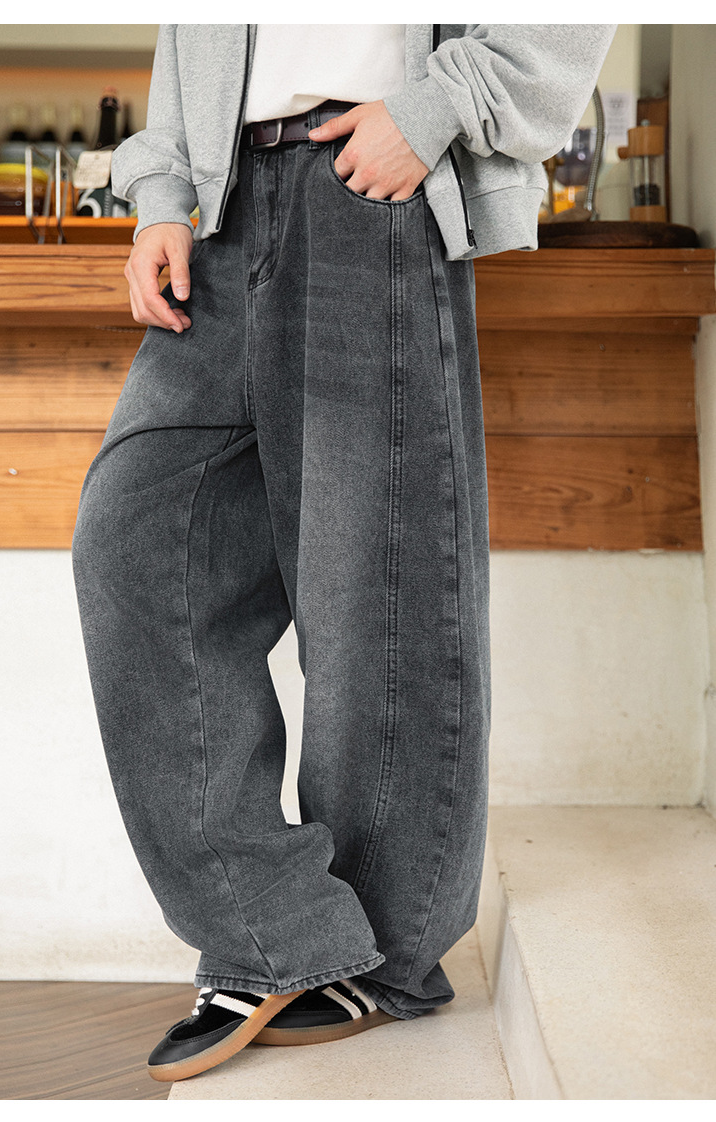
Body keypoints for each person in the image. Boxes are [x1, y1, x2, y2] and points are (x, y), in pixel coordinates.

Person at [72, 23, 616, 1083]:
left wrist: (434, 108)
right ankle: (279, 932)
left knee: (375, 587)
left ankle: (386, 951)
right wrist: (163, 194)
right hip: (222, 205)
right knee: (134, 542)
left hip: (373, 184)